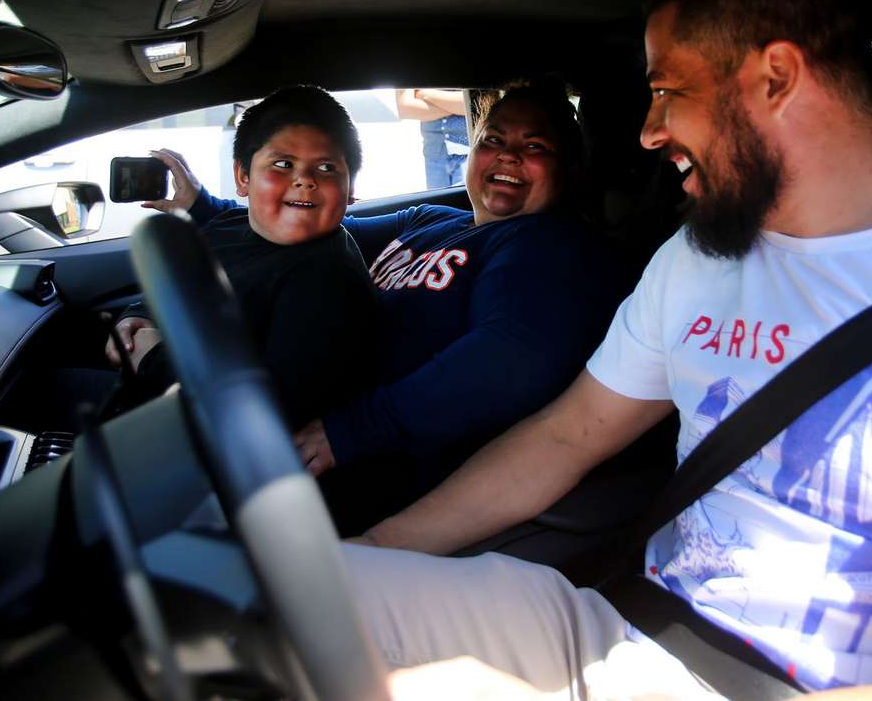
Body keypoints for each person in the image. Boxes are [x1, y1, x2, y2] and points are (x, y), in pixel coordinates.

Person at [342, 0, 872, 699]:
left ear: (776, 77)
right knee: (289, 595)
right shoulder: (699, 254)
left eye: (664, 92)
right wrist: (373, 548)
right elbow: (567, 436)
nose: (648, 133)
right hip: (625, 630)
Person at [148, 80, 633, 531]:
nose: (507, 156)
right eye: (493, 139)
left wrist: (354, 430)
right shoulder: (432, 220)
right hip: (300, 412)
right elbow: (314, 221)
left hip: (380, 469)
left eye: (535, 147)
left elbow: (508, 358)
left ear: (568, 170)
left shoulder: (551, 246)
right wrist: (204, 206)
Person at [104, 85, 376, 431]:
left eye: (326, 168)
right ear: (243, 177)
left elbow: (266, 411)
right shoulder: (229, 225)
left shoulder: (328, 279)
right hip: (156, 406)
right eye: (283, 164)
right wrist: (137, 316)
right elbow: (179, 284)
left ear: (351, 188)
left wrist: (151, 357)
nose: (305, 181)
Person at [396, 88, 470, 187]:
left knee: (464, 200)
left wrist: (425, 94)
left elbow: (471, 102)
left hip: (467, 154)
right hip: (433, 156)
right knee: (436, 200)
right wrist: (454, 106)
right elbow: (405, 109)